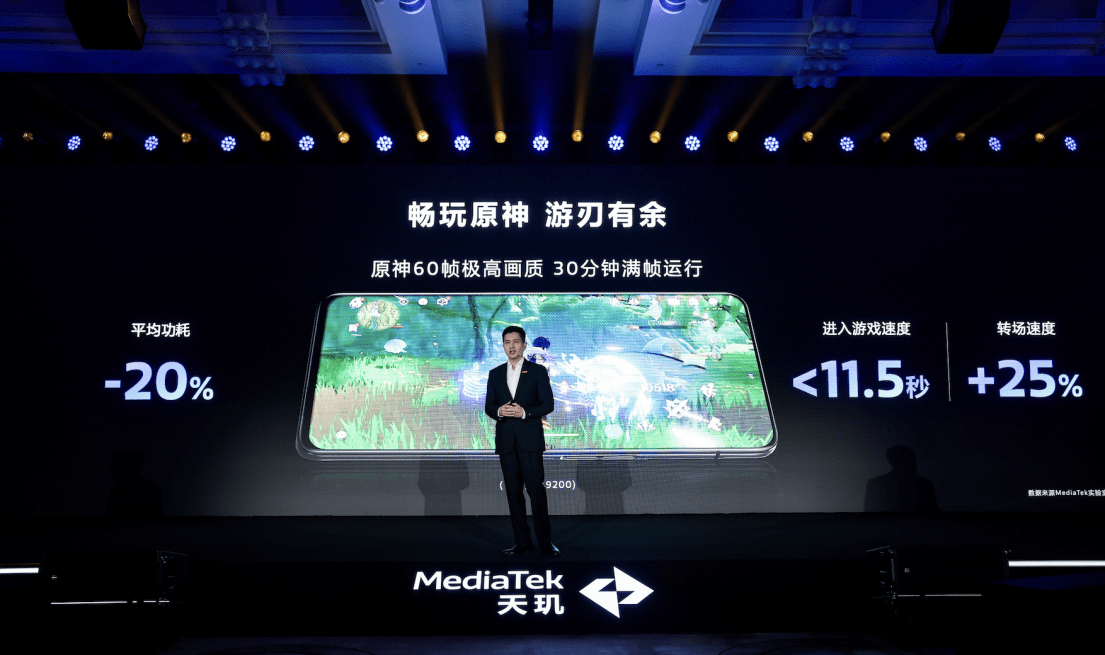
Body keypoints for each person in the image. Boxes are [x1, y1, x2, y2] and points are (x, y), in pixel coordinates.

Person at [484, 325, 558, 556]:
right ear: (503, 345)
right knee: (513, 493)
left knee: (536, 491)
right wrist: (500, 410)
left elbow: (548, 405)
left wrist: (525, 412)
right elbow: (489, 406)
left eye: (516, 342)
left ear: (524, 345)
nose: (512, 346)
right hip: (506, 442)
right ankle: (522, 542)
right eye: (507, 342)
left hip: (530, 441)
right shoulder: (495, 373)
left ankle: (545, 543)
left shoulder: (537, 371)